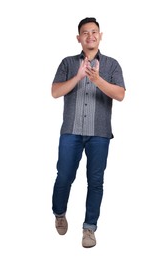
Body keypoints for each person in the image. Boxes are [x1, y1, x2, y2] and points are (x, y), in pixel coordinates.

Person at [51, 17, 126, 248]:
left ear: (100, 35)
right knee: (64, 176)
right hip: (71, 131)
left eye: (94, 32)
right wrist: (79, 77)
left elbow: (120, 94)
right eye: (85, 32)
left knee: (95, 182)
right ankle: (59, 213)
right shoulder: (67, 63)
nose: (90, 36)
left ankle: (89, 229)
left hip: (100, 133)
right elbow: (55, 92)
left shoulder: (112, 65)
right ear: (79, 38)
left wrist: (97, 79)